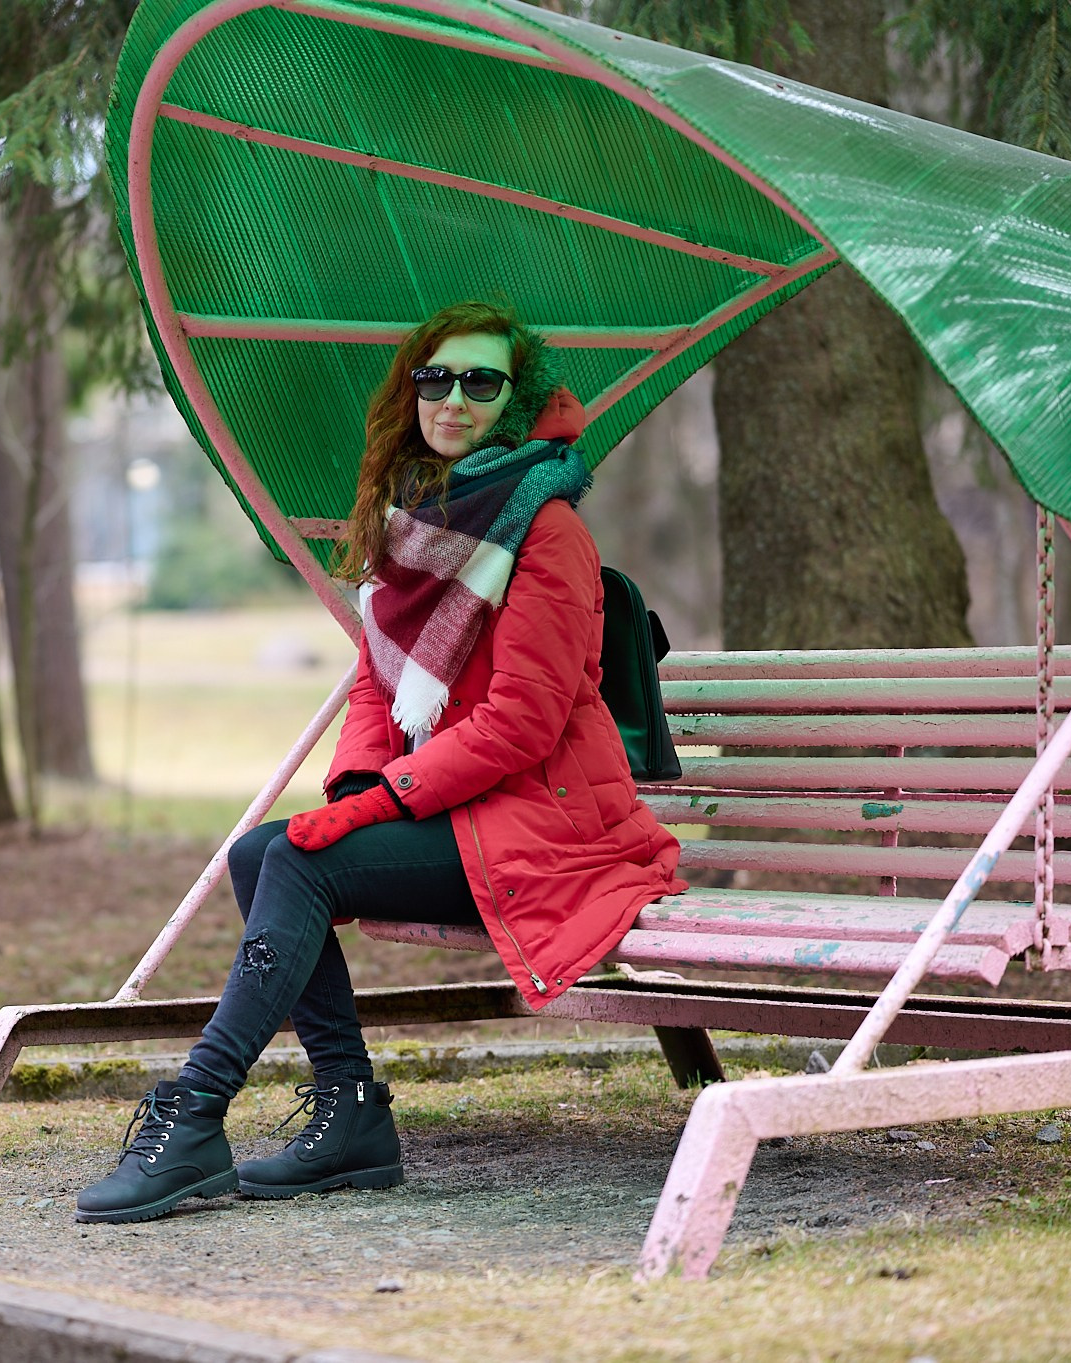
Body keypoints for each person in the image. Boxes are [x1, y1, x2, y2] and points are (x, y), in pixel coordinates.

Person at [74, 300, 687, 1225]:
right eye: (435, 378)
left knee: (298, 859)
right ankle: (350, 1109)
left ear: (516, 403)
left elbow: (522, 725)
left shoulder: (547, 531)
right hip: (460, 808)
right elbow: (374, 685)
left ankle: (195, 1110)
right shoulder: (414, 521)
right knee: (260, 854)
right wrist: (360, 789)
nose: (453, 398)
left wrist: (377, 806)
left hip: (550, 824)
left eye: (481, 381)